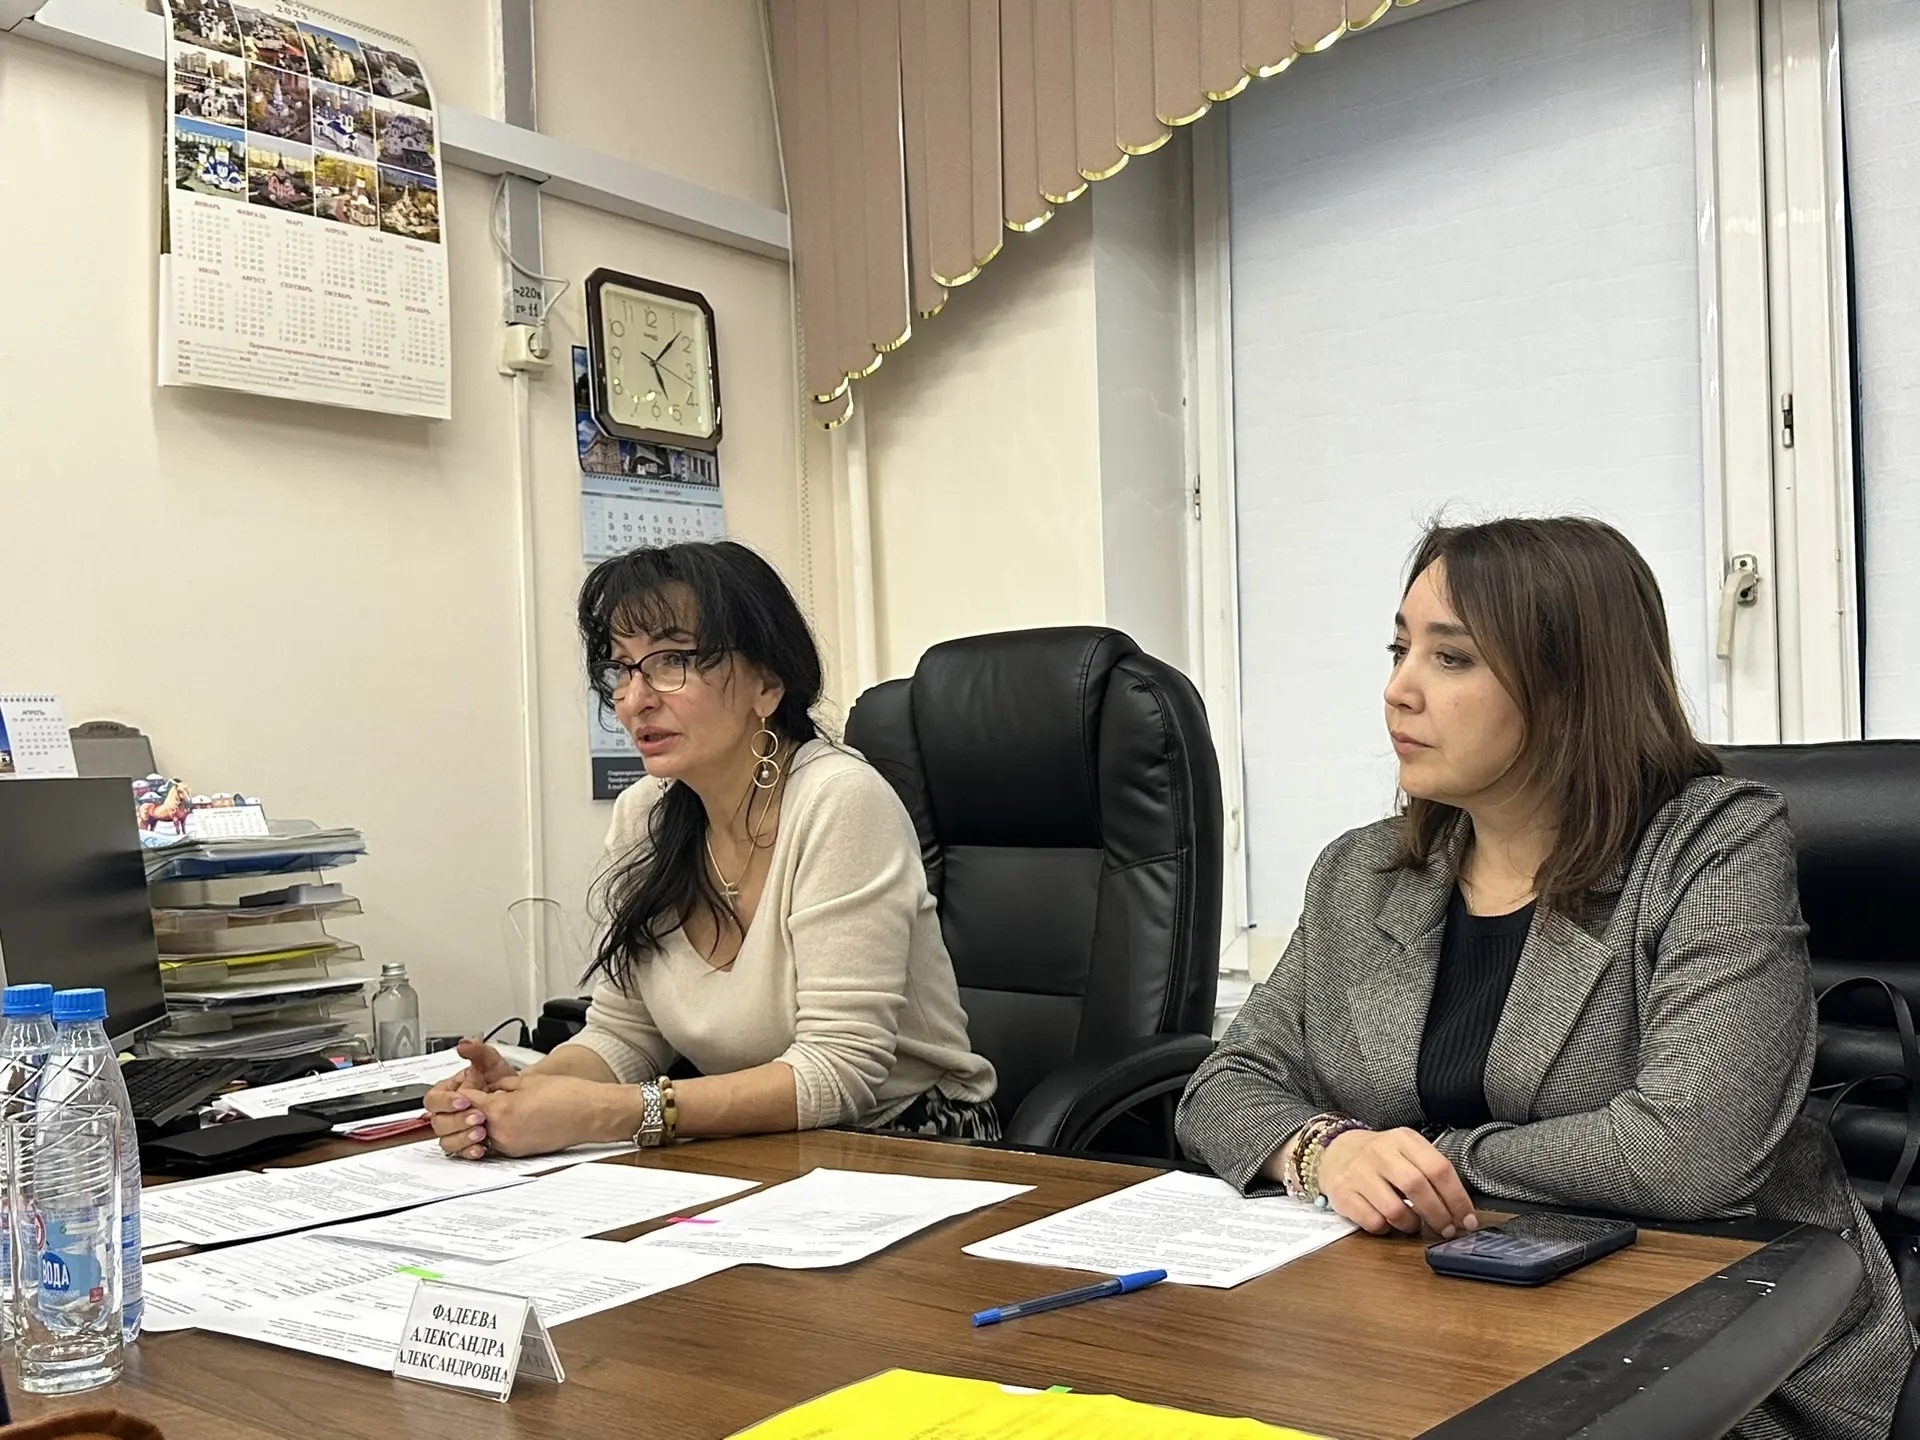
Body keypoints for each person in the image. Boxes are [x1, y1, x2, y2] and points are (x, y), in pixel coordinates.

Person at [1176, 516, 1912, 1439]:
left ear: (1571, 688)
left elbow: (1688, 1154)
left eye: (1451, 659)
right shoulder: (1362, 873)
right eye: (1401, 650)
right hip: (1432, 1320)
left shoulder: (1711, 848)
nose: (1399, 690)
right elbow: (1226, 1083)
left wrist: (1427, 1161)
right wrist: (1328, 1151)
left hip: (1717, 1342)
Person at [426, 540, 998, 1159]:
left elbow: (839, 1069)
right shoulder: (645, 814)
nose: (635, 699)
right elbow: (626, 1032)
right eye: (623, 668)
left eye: (672, 660)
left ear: (767, 683)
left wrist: (606, 1112)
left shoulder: (839, 800)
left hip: (912, 1146)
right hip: (755, 1143)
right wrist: (513, 1095)